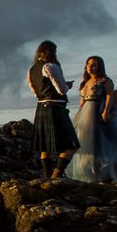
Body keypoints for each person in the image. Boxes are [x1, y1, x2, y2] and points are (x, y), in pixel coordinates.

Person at [67, 55, 117, 182]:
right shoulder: (85, 82)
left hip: (98, 111)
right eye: (89, 64)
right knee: (85, 142)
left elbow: (109, 96)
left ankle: (105, 171)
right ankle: (88, 171)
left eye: (94, 64)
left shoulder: (105, 81)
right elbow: (82, 100)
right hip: (85, 113)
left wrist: (106, 111)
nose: (91, 67)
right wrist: (79, 114)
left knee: (101, 142)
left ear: (100, 67)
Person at [27, 40, 79, 178]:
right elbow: (62, 90)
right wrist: (68, 86)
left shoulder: (31, 70)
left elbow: (35, 91)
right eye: (54, 52)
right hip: (55, 109)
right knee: (72, 145)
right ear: (49, 52)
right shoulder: (50, 66)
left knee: (45, 147)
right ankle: (56, 175)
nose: (56, 54)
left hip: (41, 107)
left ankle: (47, 176)